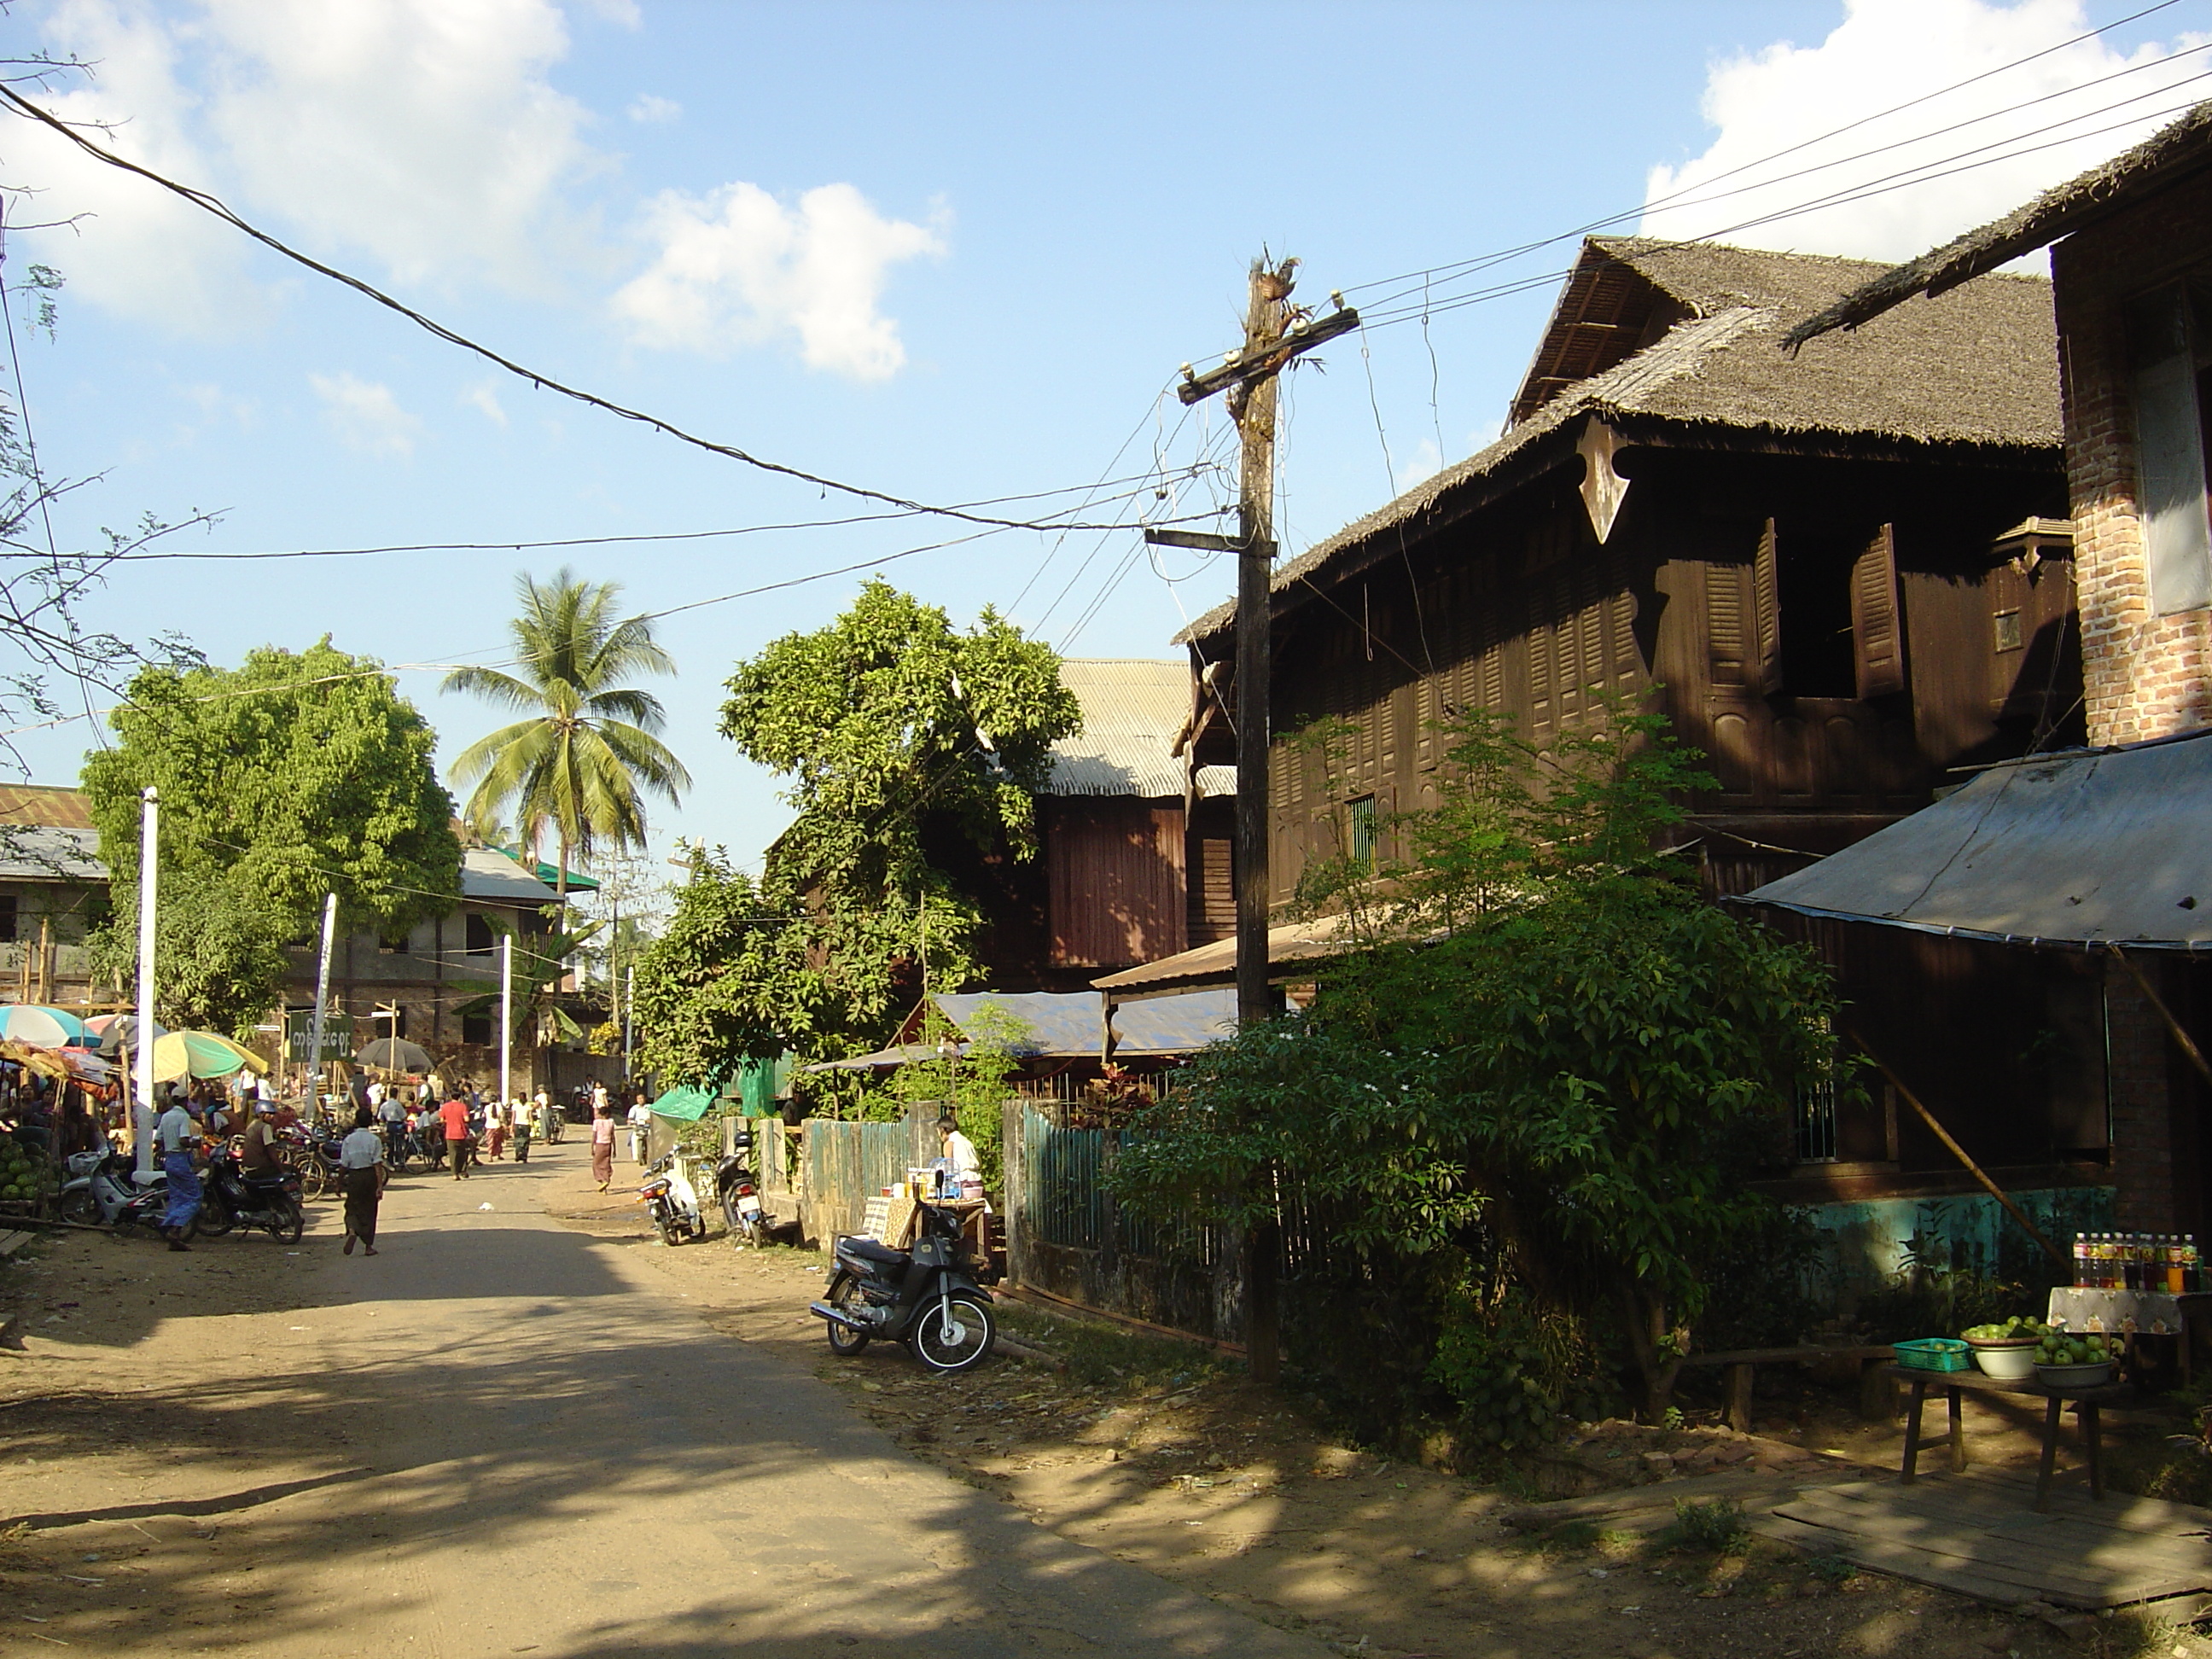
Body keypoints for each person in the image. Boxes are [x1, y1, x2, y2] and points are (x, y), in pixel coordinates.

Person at [338, 1104, 387, 1255]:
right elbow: (377, 1164)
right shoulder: (374, 1140)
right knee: (370, 1210)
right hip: (369, 1176)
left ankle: (352, 1229)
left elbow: (343, 1164)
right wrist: (379, 1186)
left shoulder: (349, 1140)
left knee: (352, 1206)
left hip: (354, 1176)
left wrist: (339, 1183)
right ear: (371, 1122)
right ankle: (368, 1246)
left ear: (356, 1121)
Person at [156, 1094, 202, 1251]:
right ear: (184, 1101)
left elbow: (158, 1140)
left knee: (177, 1197)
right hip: (180, 1159)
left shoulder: (166, 1116)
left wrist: (169, 1143)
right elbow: (184, 1140)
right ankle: (175, 1230)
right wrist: (193, 1143)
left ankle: (168, 1228)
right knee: (195, 1196)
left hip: (169, 1160)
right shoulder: (183, 1116)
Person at [439, 1089, 472, 1179]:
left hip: (449, 1133)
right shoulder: (462, 1106)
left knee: (452, 1154)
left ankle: (454, 1174)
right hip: (461, 1132)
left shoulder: (445, 1107)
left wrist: (449, 1120)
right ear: (460, 1097)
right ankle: (461, 1170)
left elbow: (442, 1120)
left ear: (450, 1097)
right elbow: (466, 1119)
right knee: (462, 1153)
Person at [376, 1083, 409, 1164]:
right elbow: (404, 1116)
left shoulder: (384, 1105)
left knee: (391, 1143)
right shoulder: (397, 1104)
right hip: (397, 1125)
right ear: (396, 1095)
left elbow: (380, 1118)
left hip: (389, 1125)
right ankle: (400, 1157)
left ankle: (390, 1159)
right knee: (400, 1142)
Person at [590, 1101, 614, 1191]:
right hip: (608, 1145)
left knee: (596, 1164)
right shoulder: (611, 1122)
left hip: (600, 1144)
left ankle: (602, 1180)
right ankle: (606, 1180)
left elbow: (594, 1136)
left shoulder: (597, 1122)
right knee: (606, 1163)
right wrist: (615, 1149)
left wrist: (592, 1147)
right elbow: (613, 1136)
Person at [626, 1093, 651, 1164]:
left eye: (641, 1098)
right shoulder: (634, 1108)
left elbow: (652, 1116)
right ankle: (635, 1156)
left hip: (647, 1127)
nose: (640, 1100)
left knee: (652, 1138)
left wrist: (649, 1120)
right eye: (638, 1099)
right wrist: (630, 1121)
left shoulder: (649, 1107)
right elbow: (630, 1118)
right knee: (632, 1138)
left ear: (645, 1099)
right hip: (637, 1127)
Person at [510, 1095, 533, 1164]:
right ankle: (524, 1156)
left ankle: (518, 1153)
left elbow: (513, 1117)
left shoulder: (515, 1106)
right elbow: (530, 1117)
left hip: (517, 1124)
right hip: (526, 1124)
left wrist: (511, 1126)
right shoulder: (528, 1106)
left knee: (517, 1140)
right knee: (526, 1141)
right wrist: (532, 1126)